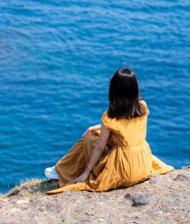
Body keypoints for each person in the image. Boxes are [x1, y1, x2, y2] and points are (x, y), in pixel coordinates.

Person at [45, 68, 173, 195]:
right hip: (142, 166)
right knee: (95, 133)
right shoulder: (143, 107)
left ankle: (62, 169)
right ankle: (61, 168)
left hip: (122, 170)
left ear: (114, 90)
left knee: (90, 139)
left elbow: (99, 148)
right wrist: (93, 127)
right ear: (135, 88)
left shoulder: (109, 116)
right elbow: (124, 126)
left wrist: (87, 172)